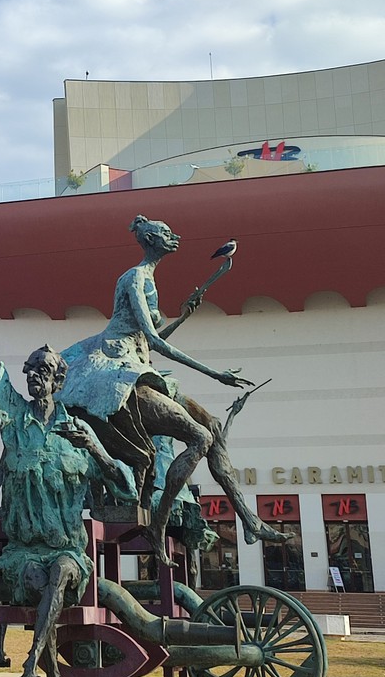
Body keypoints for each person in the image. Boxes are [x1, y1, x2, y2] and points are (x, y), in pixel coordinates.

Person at [58, 214, 290, 563]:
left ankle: (248, 518)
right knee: (200, 437)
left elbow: (148, 340)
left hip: (139, 362)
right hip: (119, 368)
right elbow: (153, 341)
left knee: (212, 426)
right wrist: (214, 374)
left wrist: (183, 317)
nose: (175, 237)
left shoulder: (148, 277)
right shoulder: (135, 277)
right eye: (167, 233)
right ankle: (158, 523)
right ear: (151, 240)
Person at [0, 262, 137, 677]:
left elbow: (124, 486)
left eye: (43, 371)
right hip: (23, 552)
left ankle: (32, 666)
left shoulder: (78, 433)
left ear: (59, 381)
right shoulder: (14, 422)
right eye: (30, 371)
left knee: (61, 574)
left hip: (67, 550)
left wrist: (97, 451)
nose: (34, 377)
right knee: (42, 583)